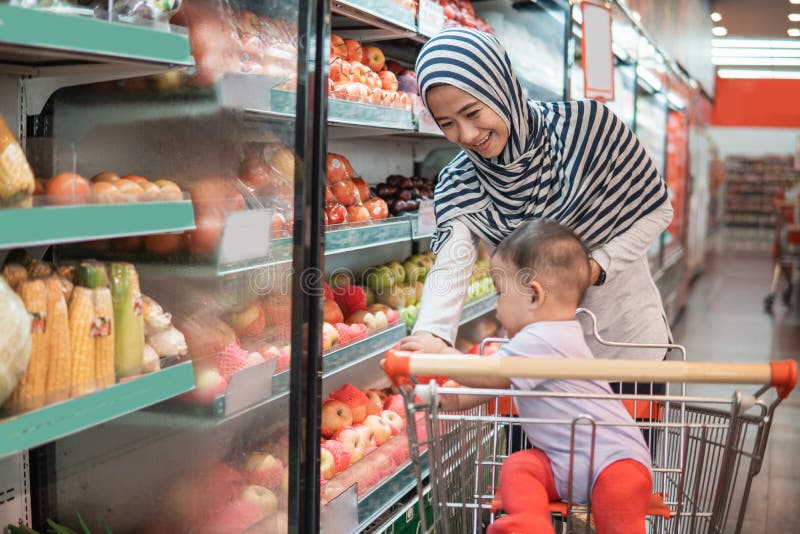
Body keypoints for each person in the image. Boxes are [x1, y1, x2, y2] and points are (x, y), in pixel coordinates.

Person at [398, 29, 673, 372]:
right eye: (447, 124)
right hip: (536, 363)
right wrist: (432, 335)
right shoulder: (460, 181)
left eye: (472, 113)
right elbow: (451, 265)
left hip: (625, 348)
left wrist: (594, 266)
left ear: (501, 89)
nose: (466, 136)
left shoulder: (588, 130)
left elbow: (657, 210)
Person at [434, 219, 652, 534]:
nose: (496, 308)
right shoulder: (545, 339)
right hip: (564, 466)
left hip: (615, 462)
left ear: (534, 296)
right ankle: (530, 523)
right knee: (519, 465)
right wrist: (449, 400)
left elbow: (491, 376)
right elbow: (499, 385)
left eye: (499, 294)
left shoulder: (544, 337)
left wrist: (439, 354)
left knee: (618, 508)